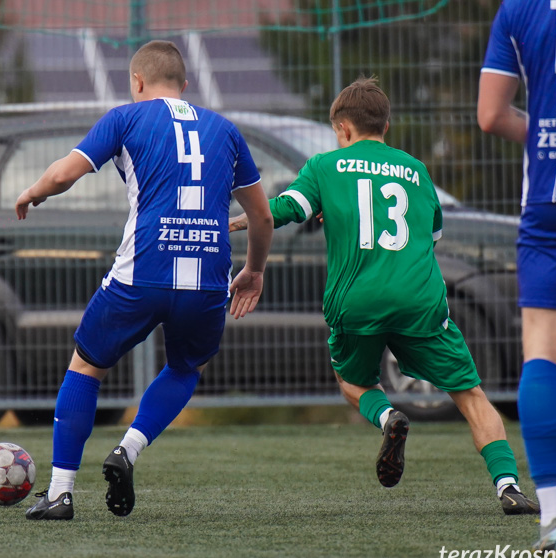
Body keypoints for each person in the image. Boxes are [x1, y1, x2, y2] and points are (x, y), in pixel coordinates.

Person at [230, 76, 539, 515]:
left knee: (354, 382)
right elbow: (430, 237)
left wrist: (239, 221)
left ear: (343, 129)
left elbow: (284, 210)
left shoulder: (324, 166)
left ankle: (387, 417)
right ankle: (508, 486)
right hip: (419, 298)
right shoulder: (416, 170)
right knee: (471, 396)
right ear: (386, 127)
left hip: (356, 299)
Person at [15, 40, 274, 520]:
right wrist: (254, 270)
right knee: (184, 368)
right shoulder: (226, 130)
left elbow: (65, 174)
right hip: (207, 280)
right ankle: (128, 449)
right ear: (186, 85)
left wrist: (34, 191)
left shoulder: (126, 117)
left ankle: (60, 493)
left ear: (137, 81)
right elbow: (261, 217)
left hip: (142, 274)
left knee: (87, 367)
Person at [478, 0, 556, 551]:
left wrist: (555, 134)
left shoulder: (518, 10)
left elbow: (490, 115)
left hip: (550, 199)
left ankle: (553, 516)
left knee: (542, 360)